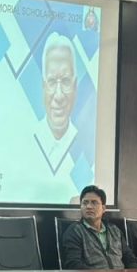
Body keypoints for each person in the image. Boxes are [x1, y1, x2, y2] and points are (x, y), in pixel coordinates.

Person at [59, 185, 137, 270]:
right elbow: (73, 264)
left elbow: (131, 259)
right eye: (85, 203)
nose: (89, 206)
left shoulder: (115, 230)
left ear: (103, 208)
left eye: (94, 203)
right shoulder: (75, 231)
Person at [34, 33, 78, 173]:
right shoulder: (27, 140)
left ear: (75, 85)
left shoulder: (83, 144)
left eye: (66, 81)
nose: (58, 96)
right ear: (43, 85)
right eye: (52, 81)